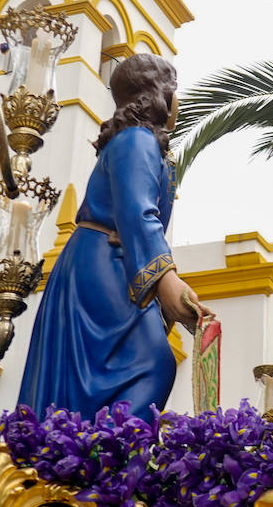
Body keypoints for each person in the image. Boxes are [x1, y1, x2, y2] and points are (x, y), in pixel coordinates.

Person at [18, 54, 212, 422]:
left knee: (125, 368)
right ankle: (108, 459)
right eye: (174, 90)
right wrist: (167, 283)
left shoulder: (135, 142)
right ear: (162, 96)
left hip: (109, 261)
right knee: (151, 364)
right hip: (105, 260)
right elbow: (138, 214)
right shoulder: (137, 141)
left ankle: (96, 451)